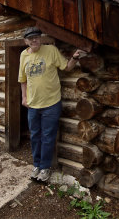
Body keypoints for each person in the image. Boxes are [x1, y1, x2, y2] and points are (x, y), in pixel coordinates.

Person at [18, 26, 82, 182]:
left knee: (47, 137)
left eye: (37, 37)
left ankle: (45, 168)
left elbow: (66, 67)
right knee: (35, 136)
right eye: (31, 38)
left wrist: (74, 57)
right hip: (33, 105)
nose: (34, 40)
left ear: (40, 38)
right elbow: (22, 79)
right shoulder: (23, 55)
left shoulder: (51, 50)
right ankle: (36, 165)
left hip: (51, 104)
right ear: (26, 41)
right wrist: (24, 98)